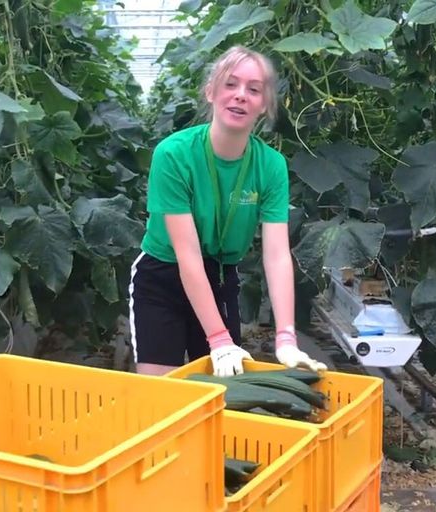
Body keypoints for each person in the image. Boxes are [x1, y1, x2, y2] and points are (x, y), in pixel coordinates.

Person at [128, 45, 327, 377]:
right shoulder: (174, 155)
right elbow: (187, 256)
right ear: (211, 91)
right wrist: (219, 339)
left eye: (254, 89)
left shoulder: (271, 165)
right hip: (163, 274)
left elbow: (277, 254)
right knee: (159, 391)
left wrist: (286, 337)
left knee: (220, 393)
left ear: (264, 104)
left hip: (221, 274)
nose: (240, 96)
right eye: (230, 84)